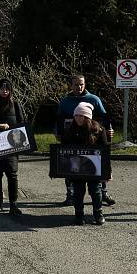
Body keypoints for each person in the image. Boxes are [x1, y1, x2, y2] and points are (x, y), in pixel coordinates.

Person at [55, 74, 116, 206]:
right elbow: (58, 119)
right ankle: (70, 194)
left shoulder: (93, 99)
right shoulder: (65, 101)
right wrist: (57, 133)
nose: (79, 87)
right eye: (76, 84)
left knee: (98, 165)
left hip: (91, 139)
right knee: (71, 164)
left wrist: (109, 130)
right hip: (72, 138)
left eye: (81, 84)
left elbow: (104, 117)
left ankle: (103, 192)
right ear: (71, 85)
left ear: (85, 84)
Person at [61, 102, 109, 225]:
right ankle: (78, 214)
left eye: (81, 115)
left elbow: (105, 152)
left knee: (95, 190)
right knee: (78, 190)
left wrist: (108, 172)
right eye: (76, 115)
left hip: (94, 167)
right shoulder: (69, 130)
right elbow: (63, 150)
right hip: (76, 167)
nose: (78, 118)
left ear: (87, 117)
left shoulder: (98, 130)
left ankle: (98, 213)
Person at [0, 79, 25, 216]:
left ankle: (13, 204)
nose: (4, 91)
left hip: (11, 145)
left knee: (12, 174)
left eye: (7, 89)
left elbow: (21, 123)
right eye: (2, 89)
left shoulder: (15, 104)